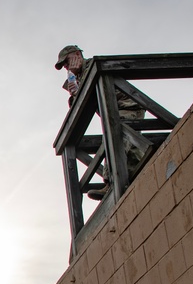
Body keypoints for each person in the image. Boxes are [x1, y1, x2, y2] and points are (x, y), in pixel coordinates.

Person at [55, 44, 151, 199]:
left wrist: (73, 80)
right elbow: (79, 105)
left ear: (78, 55)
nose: (67, 67)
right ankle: (150, 167)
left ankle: (110, 183)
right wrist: (72, 91)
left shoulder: (91, 66)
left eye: (67, 61)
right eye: (64, 65)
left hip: (128, 108)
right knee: (131, 150)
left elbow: (89, 92)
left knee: (114, 138)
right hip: (114, 112)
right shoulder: (77, 77)